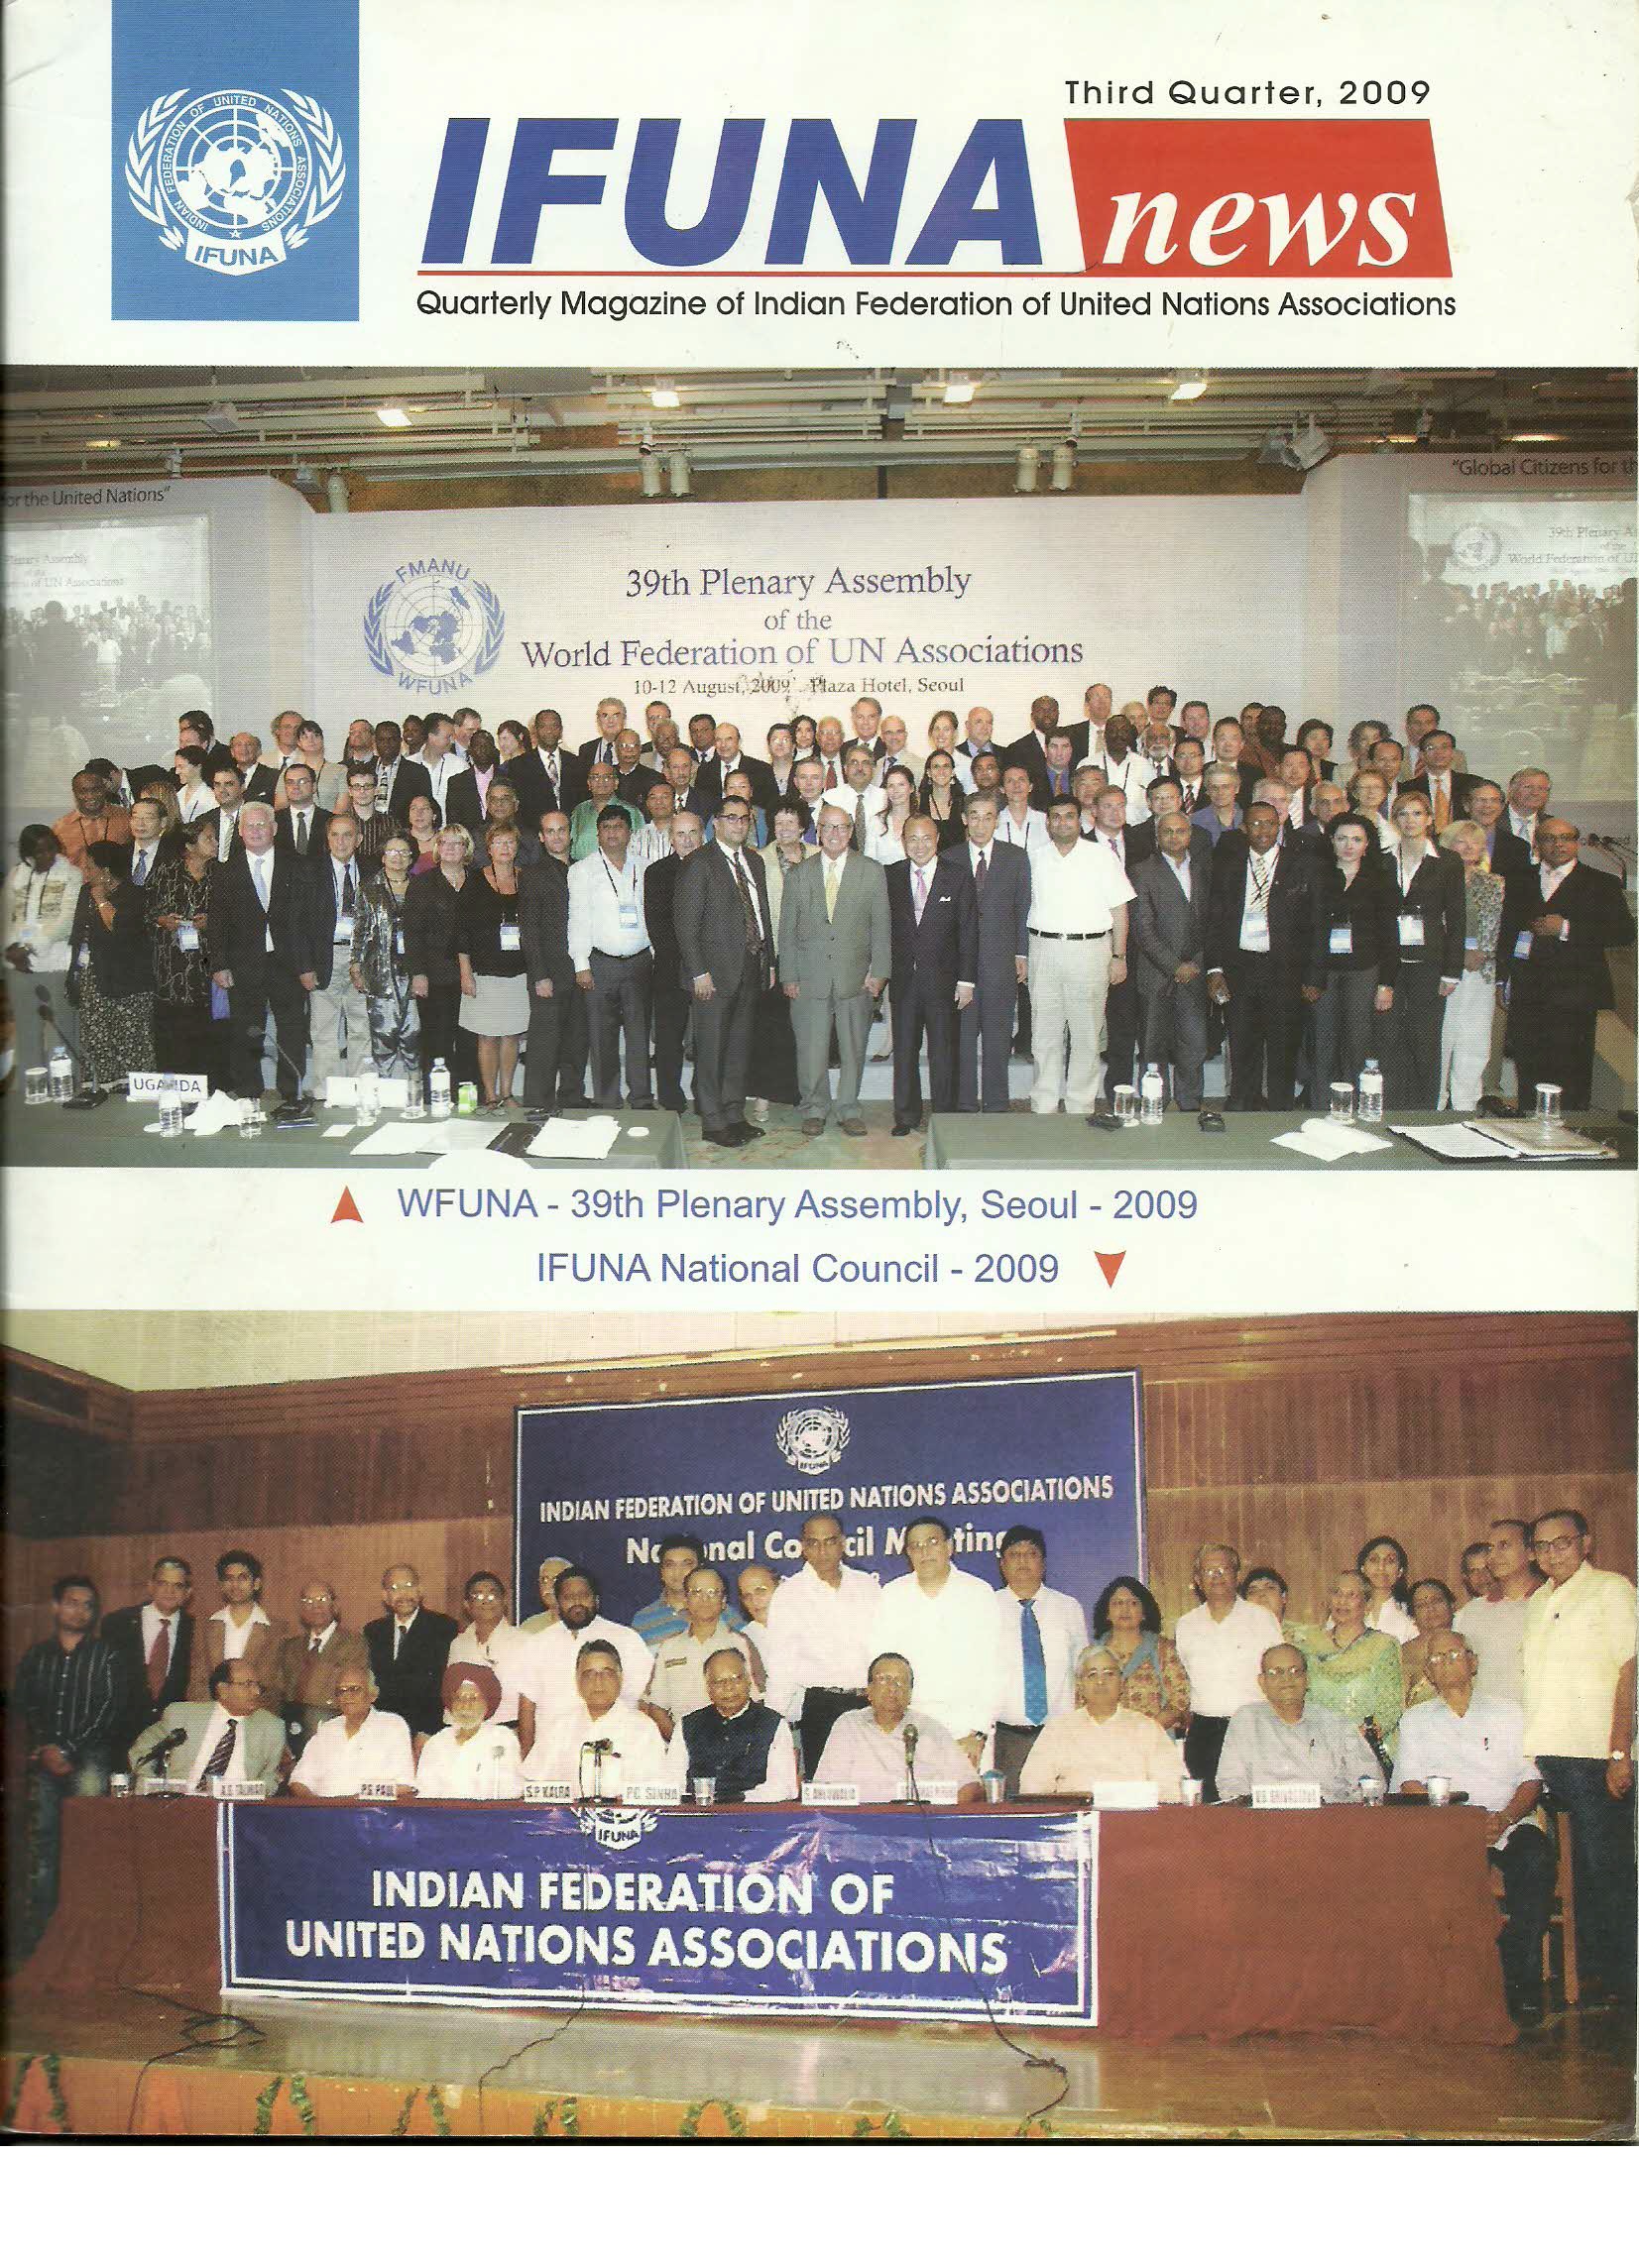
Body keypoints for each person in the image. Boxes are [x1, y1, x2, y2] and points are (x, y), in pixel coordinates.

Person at [1394, 1633, 1555, 2027]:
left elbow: (1531, 1780)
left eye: (1454, 1654)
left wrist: (1505, 1817)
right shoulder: (1416, 1720)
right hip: (1449, 1827)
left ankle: (1522, 1981)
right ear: (1428, 1673)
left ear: (1473, 1661)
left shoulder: (1509, 1713)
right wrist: (1458, 1820)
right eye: (1436, 1659)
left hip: (1508, 1822)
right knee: (1434, 1873)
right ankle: (1456, 1988)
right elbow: (1408, 1784)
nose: (1446, 1663)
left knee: (1536, 1859)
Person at [1522, 1509, 1636, 2008]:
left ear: (1585, 1543)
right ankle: (1588, 1972)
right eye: (1542, 1546)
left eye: (1562, 1543)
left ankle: (1624, 1981)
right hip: (1550, 1757)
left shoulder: (1612, 1589)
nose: (1552, 1554)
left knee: (1605, 1867)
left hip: (1594, 1756)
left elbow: (1629, 1673)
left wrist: (1620, 1752)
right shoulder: (1539, 1600)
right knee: (1575, 1873)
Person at [10, 1577, 121, 1957]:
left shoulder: (106, 1655)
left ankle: (86, 1938)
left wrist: (68, 1749)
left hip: (91, 1759)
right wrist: (44, 1748)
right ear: (56, 1607)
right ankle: (41, 1939)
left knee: (87, 1844)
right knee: (44, 1846)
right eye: (72, 1603)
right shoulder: (36, 1656)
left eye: (88, 1605)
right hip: (44, 1761)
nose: (80, 1611)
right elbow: (24, 1707)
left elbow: (108, 1710)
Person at [1497, 817, 1635, 1110]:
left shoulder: (1602, 883)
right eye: (1549, 838)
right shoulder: (1518, 878)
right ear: (1537, 844)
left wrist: (1566, 928)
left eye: (1565, 838)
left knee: (1571, 1073)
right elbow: (1506, 932)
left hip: (1576, 995)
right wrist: (1502, 979)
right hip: (1528, 991)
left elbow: (1624, 933)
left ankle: (1571, 1131)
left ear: (1577, 843)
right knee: (1529, 1070)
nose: (1558, 844)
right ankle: (1529, 1127)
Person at [778, 801, 891, 1137]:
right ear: (818, 831)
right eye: (828, 826)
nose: (834, 833)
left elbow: (881, 927)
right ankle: (814, 1108)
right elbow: (787, 930)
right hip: (808, 978)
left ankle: (848, 1108)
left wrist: (879, 972)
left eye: (842, 827)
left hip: (855, 978)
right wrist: (788, 975)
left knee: (853, 1049)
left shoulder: (871, 871)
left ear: (851, 831)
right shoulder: (798, 874)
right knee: (810, 1050)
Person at [1205, 801, 1322, 1109]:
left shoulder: (1301, 864)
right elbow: (1215, 920)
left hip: (1285, 970)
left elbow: (1316, 924)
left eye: (1269, 823)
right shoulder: (1228, 865)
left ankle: (1280, 1110)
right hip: (1240, 966)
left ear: (1279, 827)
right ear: (1244, 828)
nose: (1262, 830)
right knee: (1242, 1044)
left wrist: (1313, 976)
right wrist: (1214, 969)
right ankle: (1244, 1108)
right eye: (1255, 824)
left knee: (1283, 1048)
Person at [674, 792, 775, 1147]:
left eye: (744, 818)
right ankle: (713, 1121)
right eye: (731, 817)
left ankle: (734, 1113)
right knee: (711, 1050)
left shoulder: (754, 861)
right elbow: (685, 924)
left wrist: (769, 961)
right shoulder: (699, 862)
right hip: (713, 975)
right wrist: (698, 972)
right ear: (715, 823)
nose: (739, 824)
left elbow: (762, 915)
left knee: (738, 1048)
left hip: (750, 965)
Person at [1025, 793, 1134, 1115]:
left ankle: (1080, 1106)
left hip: (1090, 951)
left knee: (1086, 1034)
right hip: (1044, 949)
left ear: (1081, 820)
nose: (1062, 823)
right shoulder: (1034, 858)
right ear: (1048, 822)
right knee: (1044, 1033)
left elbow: (1120, 910)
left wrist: (1119, 956)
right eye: (1056, 817)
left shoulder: (1101, 857)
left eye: (1069, 816)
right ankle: (1043, 1106)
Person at [208, 802, 321, 1103]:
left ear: (274, 829)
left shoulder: (296, 865)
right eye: (250, 826)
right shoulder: (225, 871)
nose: (256, 831)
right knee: (246, 1031)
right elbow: (217, 921)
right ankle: (248, 1092)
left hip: (288, 963)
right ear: (240, 831)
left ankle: (292, 1092)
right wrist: (219, 964)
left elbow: (309, 919)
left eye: (262, 825)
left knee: (292, 1031)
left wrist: (308, 964)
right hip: (244, 964)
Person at [871, 1517, 999, 1765]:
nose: (924, 1552)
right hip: (908, 1727)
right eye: (916, 1546)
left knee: (967, 1791)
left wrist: (978, 1732)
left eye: (932, 1542)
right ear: (908, 1553)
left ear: (949, 1547)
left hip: (966, 1727)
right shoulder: (893, 1595)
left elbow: (995, 1668)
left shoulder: (978, 1593)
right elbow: (881, 1664)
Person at [763, 1512, 881, 1777]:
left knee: (873, 1784)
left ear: (843, 1543)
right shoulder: (790, 1594)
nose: (822, 1551)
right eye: (813, 1543)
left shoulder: (867, 1587)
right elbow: (782, 1666)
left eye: (830, 1541)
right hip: (822, 1706)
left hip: (869, 1701)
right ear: (803, 1548)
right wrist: (771, 1723)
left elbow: (882, 1647)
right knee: (826, 1789)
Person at [883, 814, 977, 1135]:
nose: (919, 845)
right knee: (905, 1053)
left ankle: (945, 1118)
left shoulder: (958, 875)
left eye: (926, 838)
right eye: (912, 838)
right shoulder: (891, 876)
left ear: (937, 839)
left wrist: (966, 980)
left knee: (944, 1054)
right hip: (904, 981)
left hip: (944, 983)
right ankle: (905, 1116)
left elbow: (968, 930)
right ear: (903, 842)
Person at [940, 790, 1029, 1114]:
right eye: (974, 816)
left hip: (1000, 963)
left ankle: (996, 1104)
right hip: (960, 968)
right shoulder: (948, 858)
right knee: (962, 1039)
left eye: (988, 817)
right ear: (964, 819)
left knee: (998, 1039)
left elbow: (1022, 907)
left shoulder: (1015, 857)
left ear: (997, 821)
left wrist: (1022, 953)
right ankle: (964, 1103)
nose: (980, 824)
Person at [1174, 1542, 1282, 1800]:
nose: (1217, 1576)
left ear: (1237, 1575)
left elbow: (1278, 1674)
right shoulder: (1186, 1624)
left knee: (1256, 1806)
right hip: (1204, 1732)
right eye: (1209, 1571)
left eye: (1224, 1569)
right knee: (1210, 1810)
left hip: (1253, 1727)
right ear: (1198, 1580)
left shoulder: (1262, 1618)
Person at [1380, 790, 1465, 1107]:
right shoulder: (1382, 858)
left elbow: (1456, 918)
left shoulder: (1448, 861)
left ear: (1430, 819)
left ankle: (1424, 1109)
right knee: (1389, 1035)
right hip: (1389, 961)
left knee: (1425, 1036)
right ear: (1394, 820)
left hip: (1429, 962)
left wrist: (1452, 971)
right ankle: (1391, 1105)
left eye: (1417, 813)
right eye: (1403, 813)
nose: (1410, 820)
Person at [990, 1525, 1089, 1793]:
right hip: (1006, 1736)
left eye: (1031, 1554)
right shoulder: (986, 1607)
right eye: (1014, 1554)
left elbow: (1082, 1671)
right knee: (1008, 1810)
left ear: (1043, 1563)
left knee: (1062, 1805)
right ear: (1002, 1564)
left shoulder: (1068, 1608)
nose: (1022, 1561)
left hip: (1059, 1732)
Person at [515, 1564, 654, 1751]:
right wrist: (527, 1755)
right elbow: (527, 1706)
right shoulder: (537, 1644)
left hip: (614, 1749)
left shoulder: (626, 1639)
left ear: (596, 1600)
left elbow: (643, 1700)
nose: (577, 1602)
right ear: (557, 1602)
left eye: (584, 1595)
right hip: (553, 1752)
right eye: (568, 1597)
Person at [568, 804, 653, 1108]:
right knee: (602, 1036)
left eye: (618, 827)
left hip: (640, 961)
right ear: (598, 834)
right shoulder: (582, 870)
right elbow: (577, 919)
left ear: (630, 833)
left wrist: (654, 954)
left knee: (639, 1034)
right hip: (600, 963)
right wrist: (581, 964)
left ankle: (641, 1096)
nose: (612, 833)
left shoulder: (646, 867)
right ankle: (607, 1097)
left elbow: (653, 916)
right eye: (606, 828)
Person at [1216, 1644, 1377, 1803]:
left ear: (1307, 1679)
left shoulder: (1336, 1723)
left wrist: (1342, 1812)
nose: (1287, 1679)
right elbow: (1231, 1782)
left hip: (1327, 1816)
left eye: (1295, 1671)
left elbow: (1370, 1780)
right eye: (1276, 1672)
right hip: (1263, 1817)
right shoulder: (1246, 1720)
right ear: (1262, 1682)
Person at [1020, 1645, 1186, 1799]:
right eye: (1092, 1674)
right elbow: (1032, 1786)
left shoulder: (1147, 1728)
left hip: (1134, 1815)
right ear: (1080, 1685)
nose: (1100, 1681)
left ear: (1122, 1683)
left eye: (1109, 1673)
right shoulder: (1058, 1729)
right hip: (1076, 1816)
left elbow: (1171, 1786)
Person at [814, 1652, 983, 1803]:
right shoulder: (849, 1725)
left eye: (901, 1682)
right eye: (884, 1679)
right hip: (860, 1823)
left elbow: (970, 1785)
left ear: (910, 1694)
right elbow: (824, 1788)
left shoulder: (931, 1729)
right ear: (869, 1690)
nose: (892, 1688)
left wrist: (939, 1821)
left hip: (920, 1822)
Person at [1309, 811, 1397, 1099]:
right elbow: (1306, 929)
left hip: (1363, 970)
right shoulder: (1317, 877)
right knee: (1323, 1041)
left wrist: (1386, 983)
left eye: (1357, 839)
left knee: (1358, 1041)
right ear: (1331, 841)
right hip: (1323, 971)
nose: (1349, 845)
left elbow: (1390, 936)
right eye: (1342, 838)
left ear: (1367, 844)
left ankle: (1355, 1106)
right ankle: (1321, 1105)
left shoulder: (1381, 880)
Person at [1129, 807, 1213, 1110]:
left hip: (1195, 972)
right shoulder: (1142, 871)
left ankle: (1190, 1104)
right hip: (1156, 973)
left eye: (1180, 831)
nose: (1174, 837)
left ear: (1190, 835)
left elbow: (1211, 922)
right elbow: (1143, 928)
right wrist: (1175, 966)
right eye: (1167, 831)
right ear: (1157, 837)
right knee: (1153, 1046)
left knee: (1194, 1045)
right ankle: (1154, 1103)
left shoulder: (1203, 870)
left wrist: (1195, 964)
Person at [522, 1639, 669, 1796]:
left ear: (620, 1678)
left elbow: (653, 1790)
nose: (598, 1681)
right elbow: (532, 1783)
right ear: (577, 1681)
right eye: (589, 1674)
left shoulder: (643, 1728)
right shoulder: (559, 1727)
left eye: (607, 1673)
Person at [67, 840, 156, 1087]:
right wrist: (74, 971)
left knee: (130, 1035)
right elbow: (79, 934)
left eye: (90, 867)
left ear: (106, 870)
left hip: (128, 977)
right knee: (96, 1033)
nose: (86, 872)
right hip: (94, 973)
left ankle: (134, 1085)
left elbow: (118, 928)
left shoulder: (135, 894)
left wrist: (101, 900)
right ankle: (102, 1084)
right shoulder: (85, 892)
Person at [455, 820, 529, 1110]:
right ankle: (490, 1095)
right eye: (499, 843)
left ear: (517, 847)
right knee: (487, 1036)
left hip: (518, 971)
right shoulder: (474, 881)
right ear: (489, 849)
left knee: (511, 1034)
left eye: (510, 842)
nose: (505, 848)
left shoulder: (526, 879)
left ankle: (507, 1093)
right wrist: (465, 973)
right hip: (484, 972)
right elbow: (461, 931)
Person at [1433, 817, 1506, 1109]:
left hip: (1480, 970)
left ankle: (1466, 1104)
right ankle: (1436, 1103)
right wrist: (1456, 955)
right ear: (1446, 846)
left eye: (1474, 843)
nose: (1467, 847)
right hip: (1441, 969)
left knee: (1474, 1040)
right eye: (1460, 841)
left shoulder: (1494, 882)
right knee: (1441, 1037)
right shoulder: (1433, 879)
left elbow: (1497, 925)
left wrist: (1482, 954)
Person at [146, 814, 224, 1084]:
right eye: (209, 838)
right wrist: (162, 920)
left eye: (215, 837)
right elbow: (145, 910)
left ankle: (211, 1083)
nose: (216, 843)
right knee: (175, 1024)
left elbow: (236, 913)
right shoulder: (165, 871)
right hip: (172, 963)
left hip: (210, 962)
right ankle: (176, 1084)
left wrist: (213, 921)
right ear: (190, 846)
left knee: (209, 1024)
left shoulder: (222, 873)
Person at [644, 1567, 761, 1742]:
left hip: (735, 1743)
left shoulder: (741, 1643)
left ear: (723, 1601)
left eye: (712, 1592)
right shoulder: (670, 1647)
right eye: (697, 1592)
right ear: (686, 1600)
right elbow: (657, 1708)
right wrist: (683, 1743)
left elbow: (756, 1702)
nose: (704, 1599)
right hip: (683, 1743)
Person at [139, 1658, 289, 1795]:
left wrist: (253, 1792)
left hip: (237, 1806)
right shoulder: (182, 1715)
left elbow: (271, 1777)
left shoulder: (272, 1727)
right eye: (248, 1684)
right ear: (223, 1690)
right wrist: (153, 1787)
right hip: (181, 1801)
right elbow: (141, 1752)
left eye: (258, 1686)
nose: (256, 1692)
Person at [666, 1648, 799, 1802]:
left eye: (736, 1679)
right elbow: (671, 1783)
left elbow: (785, 1788)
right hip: (697, 1813)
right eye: (718, 1682)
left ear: (749, 1680)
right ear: (708, 1688)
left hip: (753, 1813)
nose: (728, 1687)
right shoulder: (687, 1725)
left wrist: (735, 1798)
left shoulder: (773, 1724)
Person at [1303, 1569, 1405, 1761]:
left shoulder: (1382, 1645)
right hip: (1319, 1750)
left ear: (1367, 1605)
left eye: (1352, 1595)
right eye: (1337, 1593)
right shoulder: (1310, 1645)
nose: (1342, 1601)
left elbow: (1390, 1707)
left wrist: (1357, 1741)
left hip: (1367, 1753)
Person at [405, 822, 474, 1102]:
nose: (451, 848)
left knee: (468, 1038)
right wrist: (418, 973)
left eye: (458, 843)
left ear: (466, 848)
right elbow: (411, 932)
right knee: (437, 1039)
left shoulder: (478, 880)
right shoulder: (422, 882)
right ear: (437, 848)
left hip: (472, 973)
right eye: (445, 842)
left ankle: (468, 1098)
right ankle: (436, 1096)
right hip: (434, 974)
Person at [101, 1555, 195, 1758]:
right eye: (163, 1583)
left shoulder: (195, 1630)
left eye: (178, 1586)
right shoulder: (117, 1623)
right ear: (150, 1586)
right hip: (119, 1736)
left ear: (188, 1593)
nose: (169, 1591)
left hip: (169, 1739)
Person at [345, 831, 419, 1082]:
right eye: (391, 851)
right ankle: (384, 1085)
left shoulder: (421, 887)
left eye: (403, 852)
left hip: (415, 970)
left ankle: (415, 1085)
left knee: (414, 1032)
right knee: (383, 1032)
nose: (397, 857)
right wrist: (356, 966)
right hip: (380, 970)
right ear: (383, 856)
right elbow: (360, 930)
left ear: (411, 858)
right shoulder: (368, 888)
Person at [271, 1582, 371, 1760]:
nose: (316, 1606)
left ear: (335, 1606)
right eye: (309, 1601)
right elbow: (278, 1692)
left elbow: (353, 1694)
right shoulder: (290, 1647)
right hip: (290, 1730)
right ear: (301, 1609)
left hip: (332, 1729)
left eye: (322, 1599)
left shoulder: (354, 1644)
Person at [364, 1565, 461, 1747]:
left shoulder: (443, 1627)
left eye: (409, 1585)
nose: (403, 1594)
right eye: (394, 1588)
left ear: (420, 1590)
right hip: (382, 1732)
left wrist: (427, 1731)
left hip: (426, 1732)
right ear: (385, 1596)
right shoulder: (373, 1631)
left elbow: (445, 1685)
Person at [289, 1666, 415, 1800]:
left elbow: (405, 1786)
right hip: (323, 1808)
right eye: (341, 1691)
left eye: (354, 1689)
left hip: (369, 1809)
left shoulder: (392, 1725)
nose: (347, 1696)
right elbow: (298, 1780)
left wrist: (358, 1798)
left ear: (373, 1694)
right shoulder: (327, 1729)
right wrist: (316, 1803)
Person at [1454, 1520, 1542, 1704]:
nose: (1493, 1556)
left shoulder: (1552, 1603)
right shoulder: (1470, 1612)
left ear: (1531, 1552)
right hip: (1488, 1718)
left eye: (1504, 1546)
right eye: (1490, 1549)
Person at [1091, 1577, 1190, 1732]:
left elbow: (1179, 1698)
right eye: (1118, 1603)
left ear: (1144, 1613)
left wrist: (1145, 1733)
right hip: (1105, 1740)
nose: (1125, 1609)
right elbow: (1083, 1703)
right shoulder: (1093, 1655)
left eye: (1133, 1603)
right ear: (1107, 1613)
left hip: (1152, 1739)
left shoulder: (1163, 1649)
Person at [190, 1548, 287, 1700]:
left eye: (242, 1578)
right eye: (229, 1578)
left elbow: (276, 1686)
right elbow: (197, 1680)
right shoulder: (206, 1627)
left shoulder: (277, 1630)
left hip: (257, 1711)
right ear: (221, 1585)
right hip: (211, 1710)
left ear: (256, 1584)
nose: (235, 1584)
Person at [414, 1664, 524, 1799]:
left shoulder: (502, 1738)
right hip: (441, 1812)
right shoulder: (436, 1742)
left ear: (487, 1703)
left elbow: (512, 1790)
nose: (465, 1705)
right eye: (459, 1698)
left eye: (474, 1698)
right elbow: (425, 1793)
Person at [446, 1571, 533, 1727]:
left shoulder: (525, 1641)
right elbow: (452, 1692)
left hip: (511, 1728)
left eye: (492, 1595)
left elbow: (532, 1696)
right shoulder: (458, 1644)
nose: (486, 1601)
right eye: (478, 1596)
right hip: (467, 1728)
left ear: (504, 1600)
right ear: (467, 1604)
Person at [53, 769, 132, 879]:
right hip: (77, 887)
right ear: (75, 793)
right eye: (83, 791)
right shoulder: (61, 828)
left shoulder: (126, 818)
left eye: (96, 790)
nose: (90, 796)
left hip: (120, 887)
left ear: (104, 789)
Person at [1399, 1578, 1458, 1709]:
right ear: (1413, 1616)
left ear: (1452, 1605)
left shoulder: (1467, 1648)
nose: (1430, 1608)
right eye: (1421, 1605)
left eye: (1437, 1601)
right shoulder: (1400, 1655)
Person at [1358, 1534, 1418, 1641]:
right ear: (1363, 1568)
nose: (1381, 1567)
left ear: (1400, 1571)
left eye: (1390, 1561)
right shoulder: (1347, 1609)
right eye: (1374, 1560)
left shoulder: (1411, 1614)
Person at [517, 1555, 573, 1639]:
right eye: (544, 1580)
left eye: (555, 1579)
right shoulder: (529, 1627)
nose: (548, 1585)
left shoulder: (585, 1626)